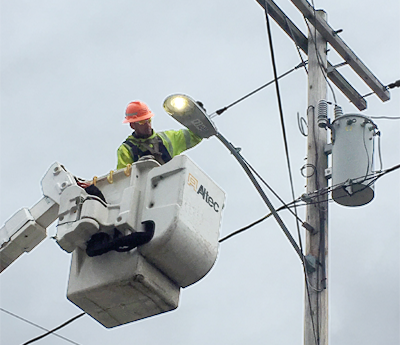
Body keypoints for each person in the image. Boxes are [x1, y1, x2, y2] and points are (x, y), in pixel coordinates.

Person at [117, 101, 202, 169]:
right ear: (132, 125)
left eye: (148, 119)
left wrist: (197, 118)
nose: (147, 124)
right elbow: (123, 179)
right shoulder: (126, 149)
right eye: (142, 122)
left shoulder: (167, 138)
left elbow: (195, 135)